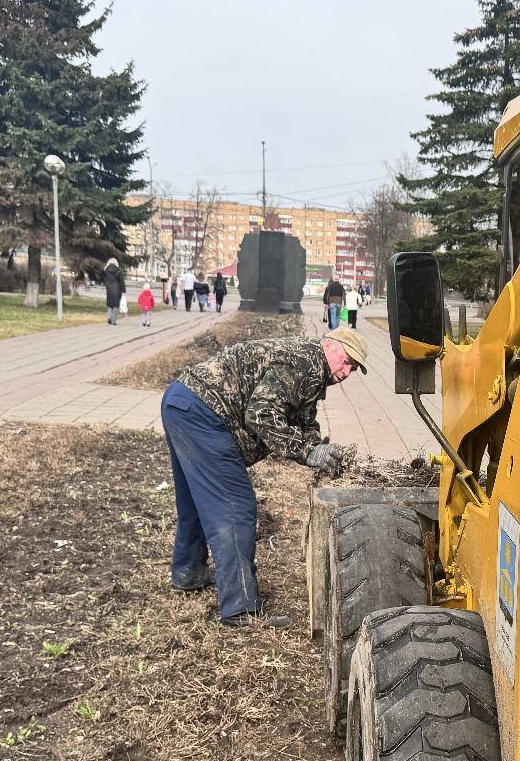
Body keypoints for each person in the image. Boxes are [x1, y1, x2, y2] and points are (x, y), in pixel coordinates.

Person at [161, 327, 370, 628]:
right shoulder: (305, 364)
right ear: (329, 345)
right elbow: (260, 415)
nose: (347, 371)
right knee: (234, 507)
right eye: (347, 361)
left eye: (354, 368)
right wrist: (307, 452)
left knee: (196, 500)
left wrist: (318, 448)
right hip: (204, 413)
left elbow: (300, 416)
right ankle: (240, 608)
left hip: (180, 401)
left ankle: (188, 573)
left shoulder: (313, 367)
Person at [102, 258, 126, 325]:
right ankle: (113, 320)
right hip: (117, 289)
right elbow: (122, 281)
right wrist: (124, 290)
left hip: (109, 289)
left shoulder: (105, 270)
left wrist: (106, 284)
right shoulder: (119, 271)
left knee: (110, 304)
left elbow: (103, 279)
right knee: (116, 305)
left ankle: (109, 318)